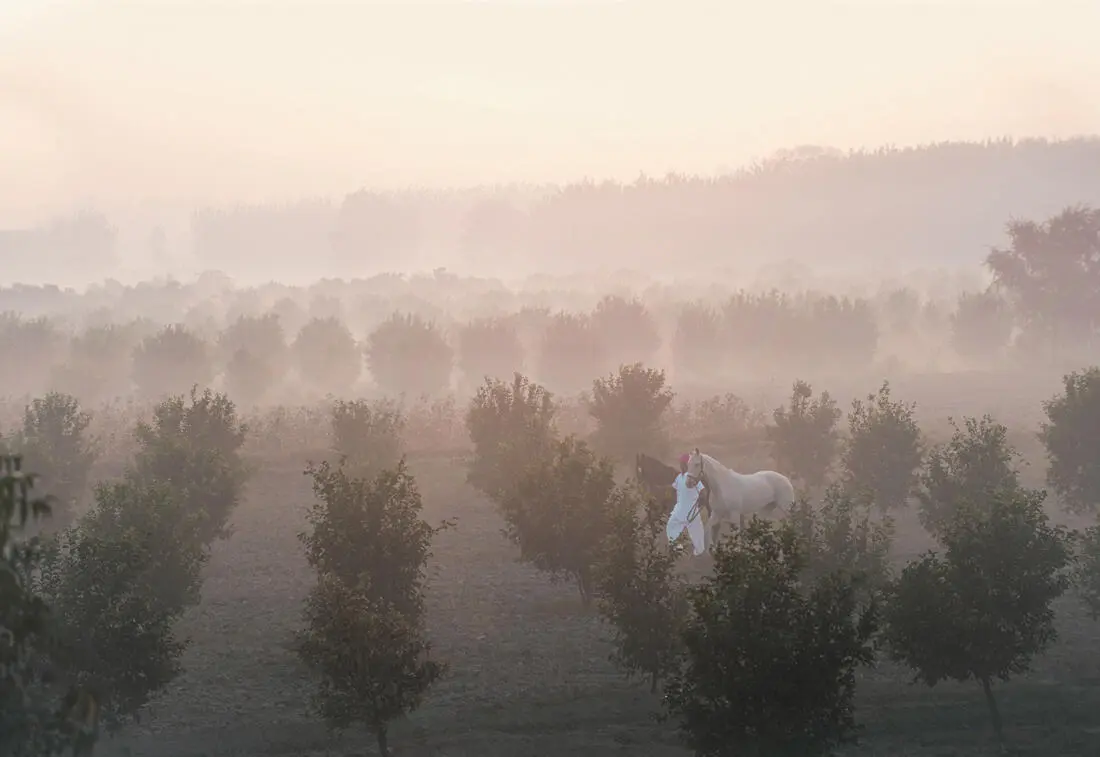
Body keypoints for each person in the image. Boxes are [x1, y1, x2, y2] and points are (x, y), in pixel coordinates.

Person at [667, 452, 707, 556]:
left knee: (696, 532)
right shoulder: (678, 477)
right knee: (671, 527)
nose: (682, 465)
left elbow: (702, 491)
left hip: (691, 510)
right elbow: (673, 488)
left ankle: (700, 552)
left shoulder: (693, 478)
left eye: (684, 463)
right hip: (679, 509)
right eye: (681, 463)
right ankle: (677, 548)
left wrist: (702, 498)